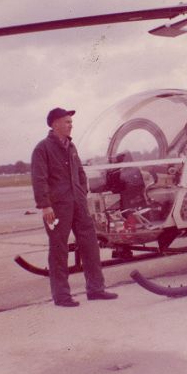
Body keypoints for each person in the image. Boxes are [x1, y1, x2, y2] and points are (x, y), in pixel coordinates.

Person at [31, 107, 118, 307]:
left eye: (71, 122)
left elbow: (80, 172)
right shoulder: (42, 148)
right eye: (67, 121)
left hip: (78, 204)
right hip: (56, 208)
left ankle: (96, 289)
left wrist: (82, 192)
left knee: (90, 244)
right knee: (59, 249)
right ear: (55, 124)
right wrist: (45, 206)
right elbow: (39, 179)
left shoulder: (71, 147)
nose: (71, 125)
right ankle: (61, 296)